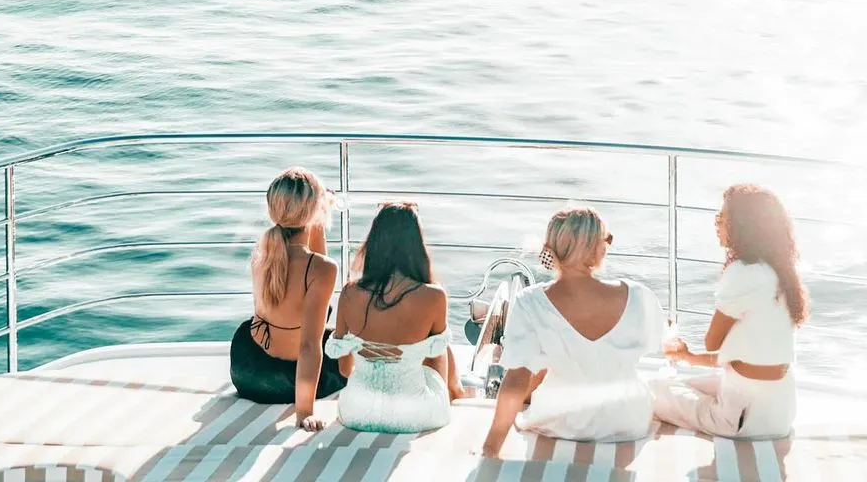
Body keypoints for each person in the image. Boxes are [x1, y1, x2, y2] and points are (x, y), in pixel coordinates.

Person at [481, 207, 665, 457]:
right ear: (598, 248)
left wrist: (490, 447)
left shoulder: (530, 302)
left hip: (564, 421)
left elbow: (516, 380)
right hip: (627, 420)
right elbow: (654, 345)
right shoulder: (639, 296)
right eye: (607, 239)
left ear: (551, 249)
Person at [652, 183, 809, 439]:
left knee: (655, 389)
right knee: (676, 386)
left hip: (743, 418)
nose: (717, 225)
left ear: (743, 225)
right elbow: (744, 355)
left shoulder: (743, 273)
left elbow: (713, 342)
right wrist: (688, 357)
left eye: (721, 218)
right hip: (779, 409)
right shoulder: (781, 272)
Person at [325, 202, 465, 433]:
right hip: (413, 415)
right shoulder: (433, 295)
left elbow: (343, 368)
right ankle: (454, 392)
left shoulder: (350, 292)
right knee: (437, 346)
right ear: (417, 246)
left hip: (356, 412)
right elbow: (436, 359)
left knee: (428, 345)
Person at [229, 167, 346, 431]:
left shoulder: (264, 251)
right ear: (315, 211)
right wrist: (303, 412)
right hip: (283, 381)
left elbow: (309, 258)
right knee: (344, 349)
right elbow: (308, 345)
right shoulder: (322, 269)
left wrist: (314, 216)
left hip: (246, 370)